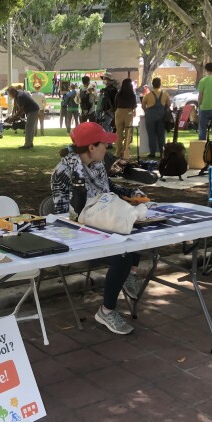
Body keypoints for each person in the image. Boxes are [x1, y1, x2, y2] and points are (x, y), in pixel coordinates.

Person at [50, 122, 146, 334]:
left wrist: (132, 194)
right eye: (105, 144)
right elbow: (64, 216)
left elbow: (109, 188)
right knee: (123, 253)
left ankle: (130, 272)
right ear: (91, 147)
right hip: (78, 234)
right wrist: (101, 219)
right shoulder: (64, 172)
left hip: (103, 225)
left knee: (136, 230)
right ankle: (106, 311)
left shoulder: (97, 164)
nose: (108, 148)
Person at [141, 77, 171, 158]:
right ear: (160, 84)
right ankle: (162, 152)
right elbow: (169, 104)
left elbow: (143, 105)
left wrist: (146, 111)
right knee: (161, 135)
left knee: (151, 135)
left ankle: (152, 153)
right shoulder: (165, 93)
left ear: (152, 85)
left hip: (150, 116)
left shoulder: (148, 94)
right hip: (162, 116)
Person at [114, 78, 137, 159]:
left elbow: (115, 104)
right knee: (128, 133)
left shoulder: (118, 94)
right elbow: (134, 105)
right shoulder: (132, 95)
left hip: (119, 111)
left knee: (118, 133)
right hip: (129, 112)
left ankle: (117, 152)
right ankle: (125, 151)